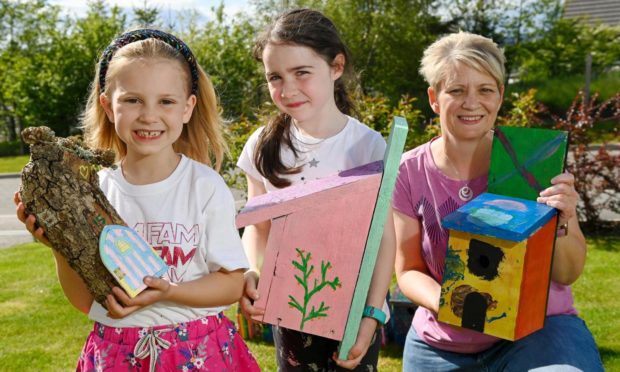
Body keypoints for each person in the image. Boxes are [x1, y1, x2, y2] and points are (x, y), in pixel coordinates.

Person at [15, 29, 260, 372]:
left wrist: (168, 291)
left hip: (198, 353)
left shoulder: (203, 186)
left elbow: (232, 283)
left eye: (166, 101)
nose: (148, 115)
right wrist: (58, 246)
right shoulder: (92, 191)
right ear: (108, 106)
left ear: (188, 108)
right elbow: (87, 302)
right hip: (116, 354)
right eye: (132, 100)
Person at [392, 31, 604, 371]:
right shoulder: (409, 171)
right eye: (457, 90)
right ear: (434, 97)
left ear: (500, 96)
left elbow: (567, 273)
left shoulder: (530, 164)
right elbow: (409, 270)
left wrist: (564, 220)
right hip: (442, 344)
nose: (471, 103)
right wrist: (448, 305)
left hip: (537, 334)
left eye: (485, 90)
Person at [236, 8, 396, 371]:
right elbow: (257, 225)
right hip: (290, 308)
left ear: (336, 66)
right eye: (275, 77)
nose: (287, 89)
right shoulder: (263, 145)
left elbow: (384, 238)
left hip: (354, 309)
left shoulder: (367, 146)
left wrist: (371, 314)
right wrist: (250, 271)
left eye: (301, 73)